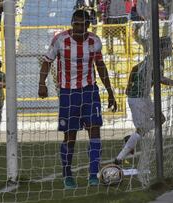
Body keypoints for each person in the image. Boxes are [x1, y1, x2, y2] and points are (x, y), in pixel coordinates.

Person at [38, 10, 117, 188]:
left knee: (94, 131)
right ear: (72, 23)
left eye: (82, 25)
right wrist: (41, 83)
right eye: (76, 24)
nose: (79, 28)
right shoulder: (60, 39)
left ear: (88, 25)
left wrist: (110, 91)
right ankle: (67, 175)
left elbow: (101, 66)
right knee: (70, 137)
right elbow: (47, 61)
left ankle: (93, 174)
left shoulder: (94, 41)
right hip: (68, 93)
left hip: (90, 91)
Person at [114, 36, 173, 165]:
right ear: (163, 48)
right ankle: (119, 158)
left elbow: (134, 69)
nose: (171, 49)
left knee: (161, 119)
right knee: (142, 130)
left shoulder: (152, 58)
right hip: (137, 99)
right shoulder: (156, 60)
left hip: (144, 97)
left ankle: (130, 138)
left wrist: (128, 85)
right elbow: (161, 79)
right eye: (169, 46)